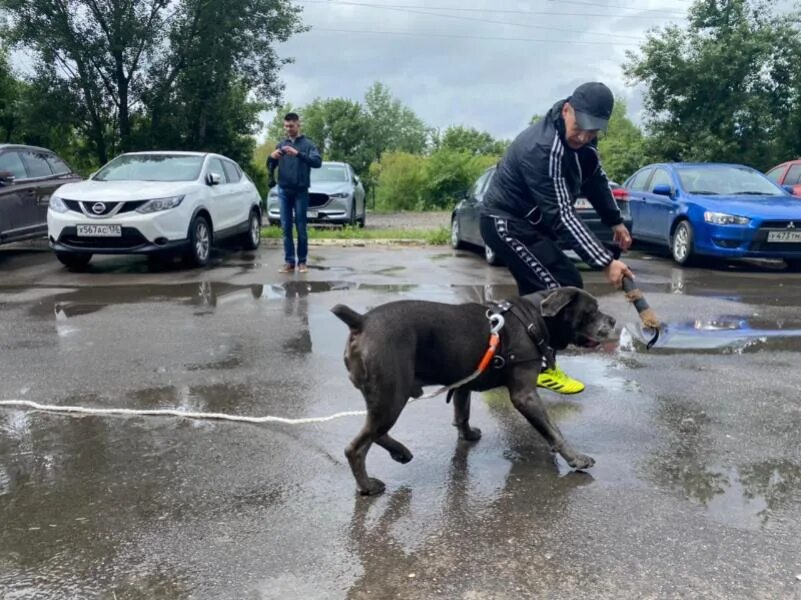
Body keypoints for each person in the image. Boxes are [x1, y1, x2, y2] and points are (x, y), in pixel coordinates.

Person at [479, 81, 634, 395]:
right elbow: (561, 214)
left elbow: (596, 181)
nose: (584, 136)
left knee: (566, 280)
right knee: (551, 296)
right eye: (579, 128)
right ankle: (541, 369)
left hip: (531, 228)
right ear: (567, 110)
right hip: (505, 224)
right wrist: (606, 262)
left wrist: (614, 220)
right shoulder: (543, 148)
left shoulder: (584, 145)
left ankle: (510, 360)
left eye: (592, 132)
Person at [267, 112, 322, 273]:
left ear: (298, 124)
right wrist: (271, 157)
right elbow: (270, 165)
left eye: (291, 126)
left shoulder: (308, 144)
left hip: (300, 191)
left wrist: (298, 153)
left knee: (301, 227)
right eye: (286, 126)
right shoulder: (281, 144)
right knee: (285, 227)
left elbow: (317, 162)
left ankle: (302, 262)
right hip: (284, 190)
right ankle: (289, 262)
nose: (288, 129)